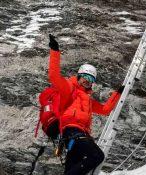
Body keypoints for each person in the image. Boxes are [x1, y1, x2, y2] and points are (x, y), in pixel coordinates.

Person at [48, 34, 124, 175]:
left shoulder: (88, 100)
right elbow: (53, 76)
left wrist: (118, 93)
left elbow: (105, 110)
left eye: (91, 78)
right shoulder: (68, 88)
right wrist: (55, 50)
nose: (87, 80)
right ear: (79, 76)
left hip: (79, 135)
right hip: (71, 131)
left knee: (72, 169)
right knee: (97, 156)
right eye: (85, 76)